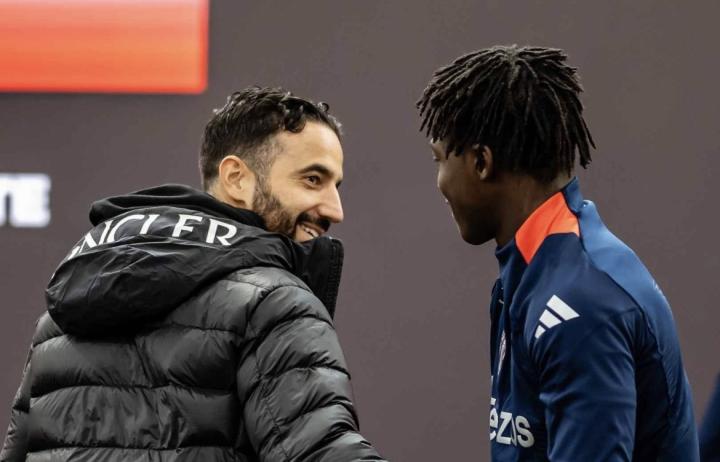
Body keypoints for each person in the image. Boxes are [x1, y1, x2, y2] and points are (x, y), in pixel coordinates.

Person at [1, 87, 385, 461]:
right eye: (312, 179)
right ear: (236, 178)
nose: (335, 210)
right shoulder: (274, 302)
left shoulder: (57, 324)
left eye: (336, 186)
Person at [417, 45, 698, 461]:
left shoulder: (582, 304)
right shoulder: (529, 278)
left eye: (439, 160)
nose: (440, 182)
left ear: (481, 162)